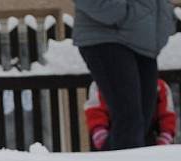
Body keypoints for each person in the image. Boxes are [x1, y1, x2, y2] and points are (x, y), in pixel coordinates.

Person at [72, 0, 175, 150]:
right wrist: (120, 11)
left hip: (144, 40)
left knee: (140, 121)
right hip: (107, 36)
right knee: (129, 119)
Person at [85, 79, 176, 150]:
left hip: (151, 144)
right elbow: (95, 112)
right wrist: (101, 137)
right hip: (111, 141)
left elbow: (167, 118)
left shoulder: (159, 87)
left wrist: (163, 142)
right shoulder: (100, 84)